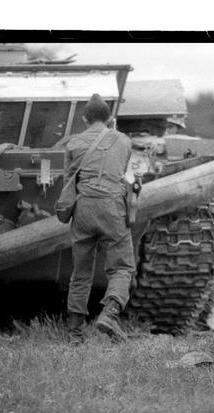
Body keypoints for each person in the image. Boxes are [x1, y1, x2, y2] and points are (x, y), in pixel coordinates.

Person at [64, 94, 135, 345]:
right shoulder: (123, 140)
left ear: (84, 119)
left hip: (83, 208)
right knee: (122, 267)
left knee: (81, 273)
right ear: (110, 118)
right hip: (112, 208)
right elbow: (122, 171)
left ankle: (75, 334)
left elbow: (68, 182)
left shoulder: (73, 143)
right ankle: (110, 313)